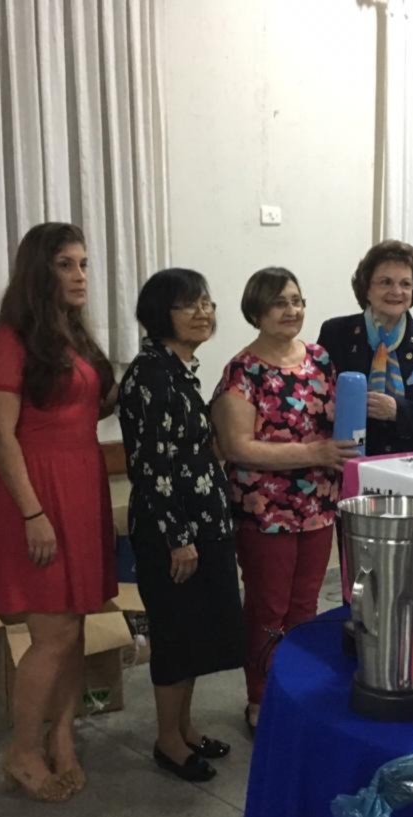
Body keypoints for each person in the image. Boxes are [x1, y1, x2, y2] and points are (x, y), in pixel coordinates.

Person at [0, 223, 118, 803]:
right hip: (35, 493)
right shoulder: (7, 340)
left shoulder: (72, 337)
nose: (80, 275)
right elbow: (0, 435)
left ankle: (62, 737)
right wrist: (33, 513)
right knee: (51, 633)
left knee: (76, 622)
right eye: (65, 264)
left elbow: (86, 409)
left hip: (82, 483)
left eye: (83, 264)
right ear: (40, 271)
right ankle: (22, 750)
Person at [212, 268, 357, 733]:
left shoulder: (320, 359)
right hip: (265, 510)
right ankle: (261, 699)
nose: (291, 310)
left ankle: (297, 694)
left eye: (297, 300)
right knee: (268, 609)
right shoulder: (243, 370)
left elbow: (335, 423)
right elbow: (237, 447)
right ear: (256, 311)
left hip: (318, 505)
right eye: (279, 302)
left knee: (305, 608)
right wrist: (315, 453)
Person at [118, 269, 244, 782]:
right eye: (189, 304)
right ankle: (167, 740)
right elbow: (151, 466)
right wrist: (179, 538)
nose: (203, 312)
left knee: (196, 634)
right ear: (159, 314)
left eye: (207, 303)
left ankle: (185, 727)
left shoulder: (179, 369)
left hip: (203, 522)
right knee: (175, 634)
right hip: (173, 533)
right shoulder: (149, 374)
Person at [318, 240, 413, 456]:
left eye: (406, 284)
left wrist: (397, 411)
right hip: (351, 456)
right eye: (385, 282)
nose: (396, 291)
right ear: (366, 288)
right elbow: (319, 400)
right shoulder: (336, 333)